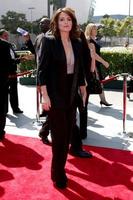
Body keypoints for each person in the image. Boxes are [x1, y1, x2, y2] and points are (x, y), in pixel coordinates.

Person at [37, 7, 88, 189]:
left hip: (71, 93)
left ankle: (57, 169)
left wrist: (83, 90)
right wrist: (45, 96)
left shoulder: (77, 42)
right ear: (56, 23)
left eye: (69, 19)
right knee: (59, 137)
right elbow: (41, 71)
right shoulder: (49, 41)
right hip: (55, 93)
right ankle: (58, 173)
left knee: (66, 136)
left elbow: (79, 69)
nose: (66, 22)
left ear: (73, 22)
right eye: (62, 20)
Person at [24, 17, 51, 144]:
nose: (41, 24)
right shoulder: (39, 37)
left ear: (50, 24)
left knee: (51, 99)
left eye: (43, 23)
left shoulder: (54, 36)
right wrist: (28, 41)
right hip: (40, 71)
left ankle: (46, 125)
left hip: (51, 74)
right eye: (40, 23)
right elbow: (35, 52)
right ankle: (45, 111)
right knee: (43, 94)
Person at [0, 29, 23, 114]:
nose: (7, 37)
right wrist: (17, 60)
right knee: (4, 92)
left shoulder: (9, 45)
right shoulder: (1, 46)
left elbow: (14, 56)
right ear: (0, 36)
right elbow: (7, 60)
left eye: (7, 35)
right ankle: (4, 110)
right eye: (5, 35)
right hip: (4, 72)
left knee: (14, 91)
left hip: (13, 71)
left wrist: (19, 59)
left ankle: (15, 108)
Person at [0, 30, 12, 140]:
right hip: (2, 83)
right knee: (1, 109)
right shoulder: (5, 45)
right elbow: (8, 64)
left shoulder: (5, 45)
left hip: (2, 83)